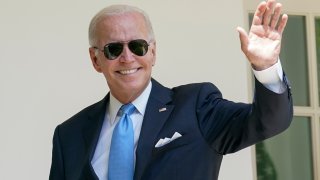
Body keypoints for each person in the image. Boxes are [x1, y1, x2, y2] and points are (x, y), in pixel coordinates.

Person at [49, 0, 293, 179]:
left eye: (138, 46)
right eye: (114, 49)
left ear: (152, 52)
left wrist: (266, 66)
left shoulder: (196, 106)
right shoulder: (69, 135)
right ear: (95, 59)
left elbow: (268, 122)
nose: (127, 58)